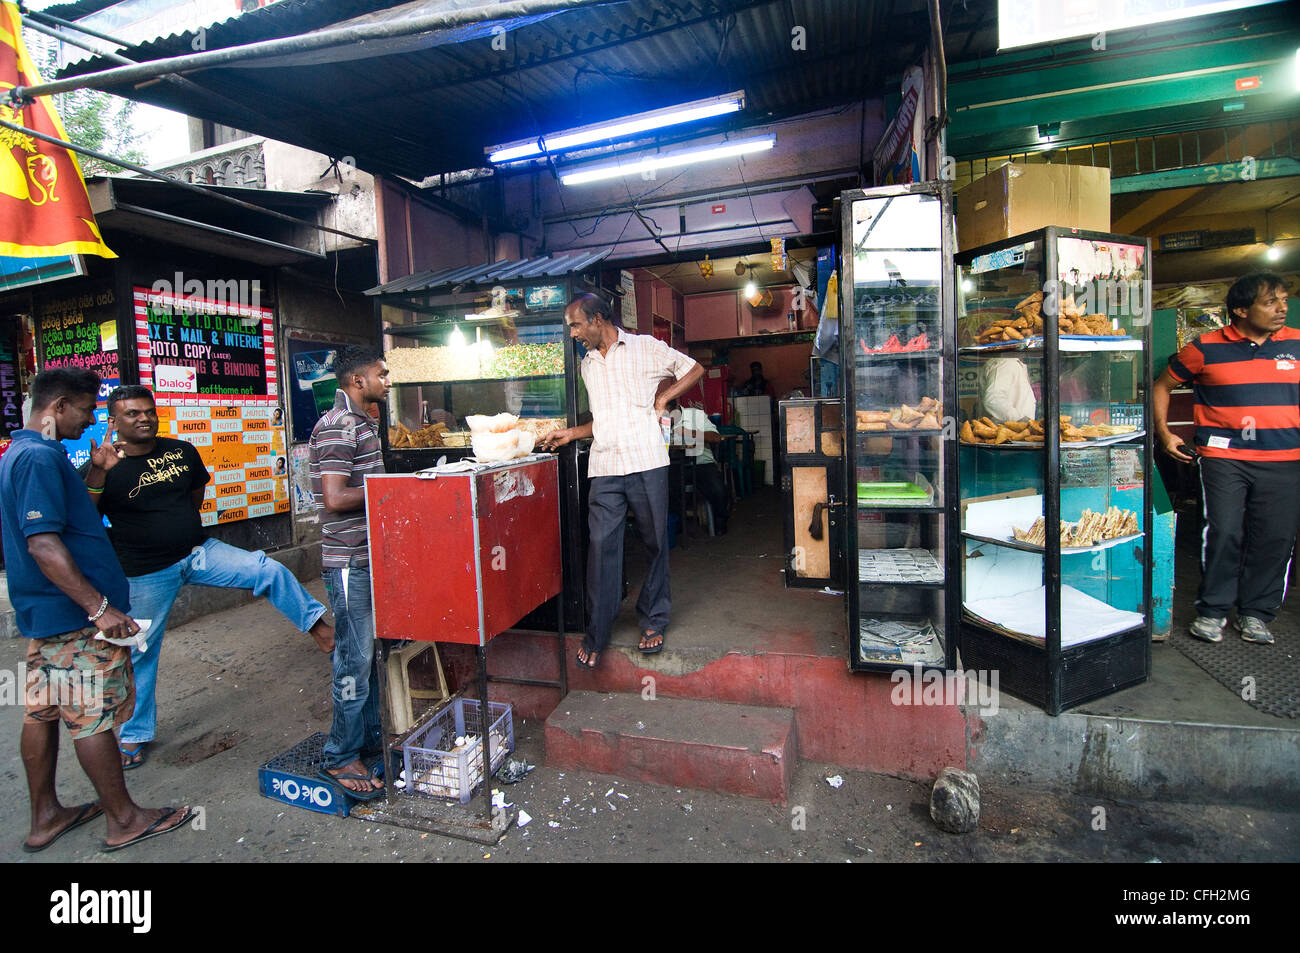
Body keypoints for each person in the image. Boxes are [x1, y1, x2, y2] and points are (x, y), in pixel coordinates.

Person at [85, 385, 335, 770]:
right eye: (132, 413)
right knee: (142, 651)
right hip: (146, 571)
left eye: (149, 411)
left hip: (198, 552)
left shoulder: (181, 451)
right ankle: (134, 733)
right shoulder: (102, 465)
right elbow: (85, 517)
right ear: (113, 421)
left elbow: (196, 493)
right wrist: (99, 472)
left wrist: (179, 528)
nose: (143, 418)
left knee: (266, 569)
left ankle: (321, 631)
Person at [1, 368, 192, 852]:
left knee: (41, 713)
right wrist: (99, 607)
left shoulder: (25, 452)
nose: (88, 421)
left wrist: (97, 472)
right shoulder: (38, 458)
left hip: (49, 618)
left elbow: (68, 521)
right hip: (73, 619)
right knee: (93, 718)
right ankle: (124, 819)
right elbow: (44, 545)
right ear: (59, 405)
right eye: (85, 410)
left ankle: (46, 816)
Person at [540, 294, 703, 667]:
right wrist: (572, 433)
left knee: (655, 542)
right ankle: (598, 630)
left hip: (646, 460)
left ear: (598, 319)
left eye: (577, 325)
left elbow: (693, 369)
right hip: (605, 466)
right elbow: (606, 420)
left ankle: (653, 618)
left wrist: (664, 399)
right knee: (601, 547)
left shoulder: (646, 348)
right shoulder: (588, 366)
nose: (573, 334)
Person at [1153, 272, 1298, 645]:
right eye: (1270, 302)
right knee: (1224, 531)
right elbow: (1162, 386)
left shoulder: (1296, 344)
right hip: (1223, 456)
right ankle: (1213, 610)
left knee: (1275, 537)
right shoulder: (1203, 348)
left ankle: (1256, 613)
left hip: (1285, 458)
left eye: (1283, 300)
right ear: (1240, 310)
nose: (1281, 308)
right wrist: (1166, 433)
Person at [308, 345, 390, 797]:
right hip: (348, 560)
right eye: (382, 374)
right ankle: (339, 756)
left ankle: (369, 742)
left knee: (370, 655)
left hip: (368, 554)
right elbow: (335, 498)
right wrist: (391, 489)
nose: (387, 380)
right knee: (352, 660)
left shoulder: (362, 423)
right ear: (358, 381)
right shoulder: (338, 427)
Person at [668, 397, 729, 536]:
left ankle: (720, 520)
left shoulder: (695, 415)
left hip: (701, 462)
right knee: (667, 487)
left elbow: (716, 437)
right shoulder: (659, 420)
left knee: (717, 489)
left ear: (677, 408)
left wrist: (691, 432)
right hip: (676, 464)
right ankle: (678, 525)